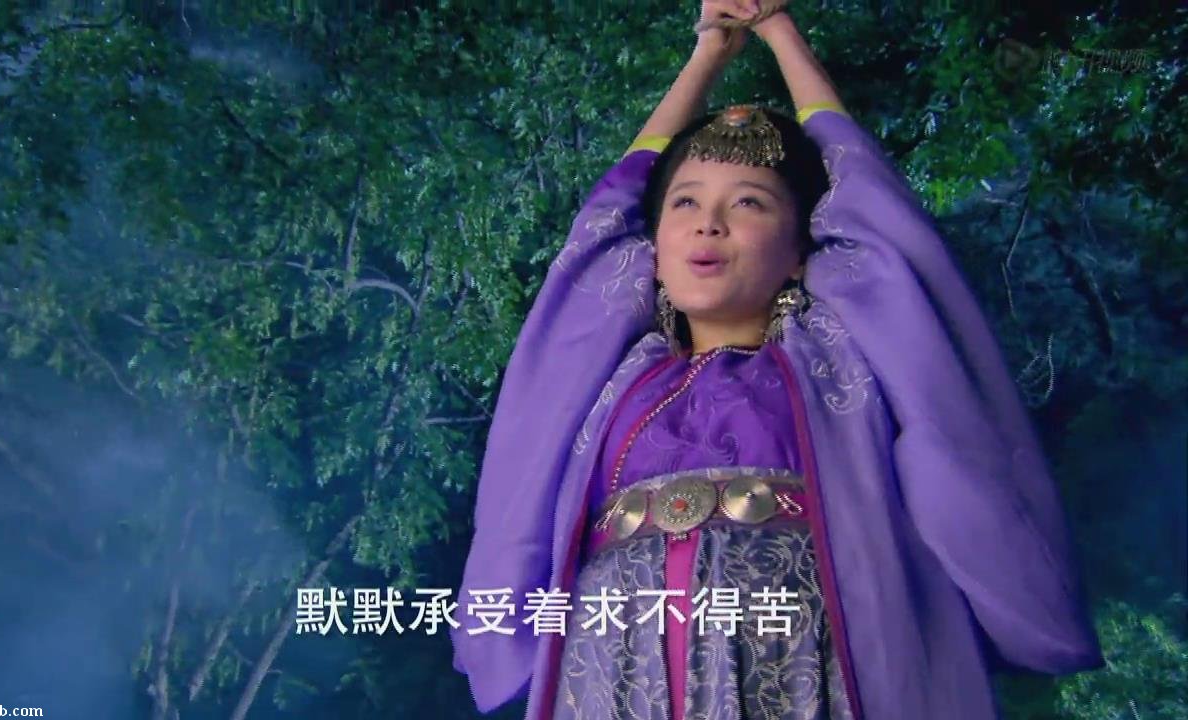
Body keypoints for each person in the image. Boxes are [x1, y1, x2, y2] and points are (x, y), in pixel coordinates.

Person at [450, 2, 1105, 719]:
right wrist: (707, 53)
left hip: (806, 671)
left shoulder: (840, 362)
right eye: (685, 204)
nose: (708, 223)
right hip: (613, 675)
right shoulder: (614, 380)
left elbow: (878, 220)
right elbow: (604, 222)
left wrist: (778, 28)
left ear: (801, 251)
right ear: (652, 251)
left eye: (750, 204)